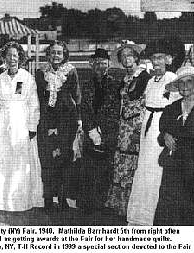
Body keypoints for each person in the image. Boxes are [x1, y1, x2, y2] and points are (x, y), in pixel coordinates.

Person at [127, 38, 184, 226]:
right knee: (143, 168)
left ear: (169, 59)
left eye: (160, 58)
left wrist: (169, 133)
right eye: (153, 58)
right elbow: (145, 106)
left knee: (155, 170)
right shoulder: (151, 80)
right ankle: (138, 216)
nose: (156, 62)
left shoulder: (173, 80)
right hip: (147, 127)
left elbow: (177, 110)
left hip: (161, 128)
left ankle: (153, 216)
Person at [0, 41, 44, 211]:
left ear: (20, 57)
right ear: (4, 58)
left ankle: (20, 202)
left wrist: (32, 126)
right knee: (2, 160)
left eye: (15, 55)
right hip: (4, 124)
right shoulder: (0, 79)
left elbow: (34, 104)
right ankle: (2, 201)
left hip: (21, 123)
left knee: (20, 163)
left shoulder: (27, 78)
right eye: (8, 55)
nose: (12, 59)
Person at [36, 40, 82, 212]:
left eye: (59, 53)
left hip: (66, 120)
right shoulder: (41, 72)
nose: (56, 56)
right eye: (53, 52)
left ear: (64, 55)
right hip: (46, 119)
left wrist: (78, 119)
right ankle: (48, 197)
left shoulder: (70, 71)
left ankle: (62, 197)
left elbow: (77, 96)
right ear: (48, 54)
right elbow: (39, 97)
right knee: (47, 158)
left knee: (64, 158)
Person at [105, 44, 151, 216]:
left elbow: (144, 103)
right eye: (123, 57)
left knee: (133, 162)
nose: (126, 59)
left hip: (136, 126)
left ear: (136, 58)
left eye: (129, 56)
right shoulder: (125, 78)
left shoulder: (144, 77)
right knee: (122, 161)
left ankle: (133, 206)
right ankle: (120, 204)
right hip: (124, 125)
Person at [80, 48, 123, 213]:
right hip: (90, 133)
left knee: (106, 169)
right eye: (97, 63)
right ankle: (88, 204)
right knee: (89, 169)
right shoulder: (86, 85)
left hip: (108, 133)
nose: (100, 66)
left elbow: (116, 109)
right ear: (91, 64)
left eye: (103, 63)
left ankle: (103, 203)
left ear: (109, 64)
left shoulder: (115, 84)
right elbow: (84, 109)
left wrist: (102, 131)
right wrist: (91, 130)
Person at [154, 66, 194, 225]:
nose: (185, 86)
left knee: (190, 206)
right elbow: (160, 137)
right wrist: (165, 136)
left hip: (193, 167)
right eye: (181, 83)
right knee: (168, 206)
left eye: (189, 81)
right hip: (172, 166)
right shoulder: (171, 109)